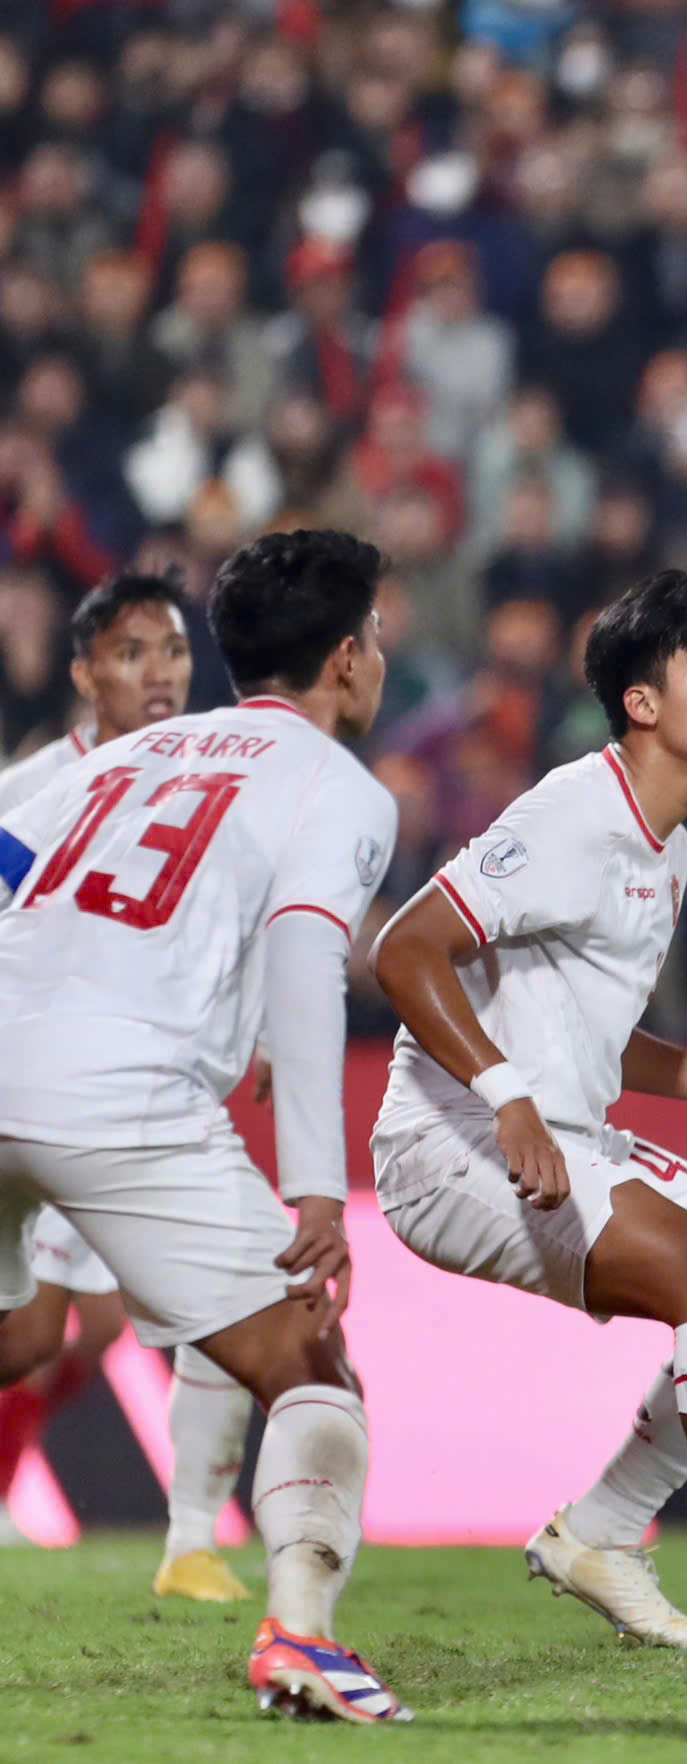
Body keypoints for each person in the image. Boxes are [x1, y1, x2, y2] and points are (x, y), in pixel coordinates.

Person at [368, 567, 687, 1659]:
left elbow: (595, 1038)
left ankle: (602, 1532)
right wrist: (506, 1099)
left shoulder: (673, 838)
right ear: (642, 703)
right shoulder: (572, 815)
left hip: (564, 1129)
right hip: (450, 1142)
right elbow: (405, 947)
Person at [0, 531, 406, 1721]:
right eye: (375, 637)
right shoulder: (339, 786)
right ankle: (302, 1639)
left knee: (23, 1342)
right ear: (344, 659)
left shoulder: (110, 759)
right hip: (118, 1093)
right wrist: (318, 1193)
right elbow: (305, 963)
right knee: (311, 1367)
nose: (378, 658)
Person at [0, 571, 262, 1600]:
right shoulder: (31, 795)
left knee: (117, 1319)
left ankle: (191, 1541)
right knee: (30, 1332)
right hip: (38, 1088)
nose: (159, 677)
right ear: (83, 673)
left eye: (175, 654)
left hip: (134, 1092)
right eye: (131, 654)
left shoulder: (196, 785)